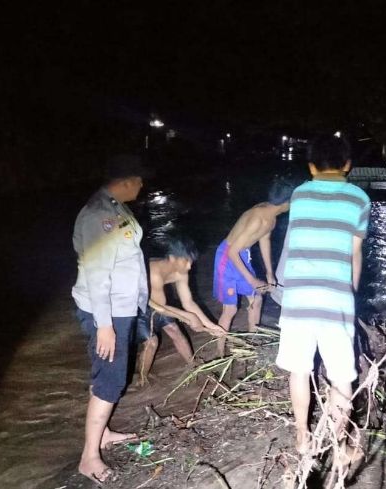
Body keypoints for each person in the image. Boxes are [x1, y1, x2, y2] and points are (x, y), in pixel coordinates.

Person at [274, 135, 370, 454]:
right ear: (348, 165)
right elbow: (354, 255)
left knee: (299, 370)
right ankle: (338, 440)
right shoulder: (359, 199)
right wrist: (351, 297)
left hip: (298, 296)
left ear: (312, 166)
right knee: (342, 374)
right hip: (336, 298)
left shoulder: (300, 194)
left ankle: (302, 436)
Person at [71, 153, 151, 483]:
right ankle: (89, 458)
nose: (143, 185)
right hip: (107, 312)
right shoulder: (99, 215)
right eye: (139, 179)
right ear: (125, 181)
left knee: (107, 374)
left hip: (119, 307)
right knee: (112, 380)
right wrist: (105, 325)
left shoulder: (115, 207)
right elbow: (97, 273)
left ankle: (101, 435)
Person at [212, 179, 294, 355]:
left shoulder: (270, 216)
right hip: (227, 257)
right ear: (287, 203)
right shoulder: (259, 218)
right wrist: (252, 279)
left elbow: (264, 240)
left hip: (242, 254)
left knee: (257, 300)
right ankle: (219, 353)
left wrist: (269, 273)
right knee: (230, 309)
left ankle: (252, 344)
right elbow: (232, 251)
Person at [136, 237, 226, 385]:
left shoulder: (181, 271)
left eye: (191, 261)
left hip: (159, 301)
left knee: (174, 330)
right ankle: (142, 378)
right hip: (137, 304)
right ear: (172, 258)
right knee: (152, 342)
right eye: (186, 261)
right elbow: (160, 308)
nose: (190, 266)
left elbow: (188, 302)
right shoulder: (154, 272)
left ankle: (192, 364)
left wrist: (210, 325)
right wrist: (188, 317)